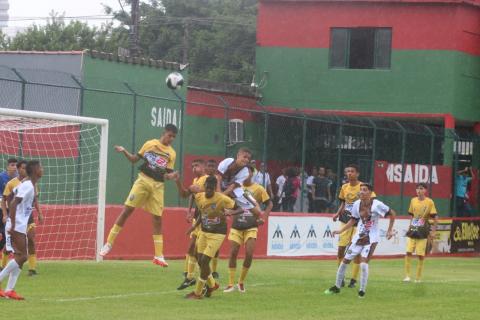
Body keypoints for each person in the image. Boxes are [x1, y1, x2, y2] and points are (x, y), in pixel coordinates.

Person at [100, 124, 178, 267]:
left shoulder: (171, 153)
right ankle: (109, 243)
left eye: (173, 137)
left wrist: (172, 176)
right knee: (127, 211)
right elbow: (135, 159)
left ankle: (159, 256)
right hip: (143, 181)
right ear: (164, 133)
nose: (171, 139)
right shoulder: (150, 144)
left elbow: (166, 174)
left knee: (158, 219)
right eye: (169, 135)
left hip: (158, 186)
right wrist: (124, 151)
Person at [325, 183, 395, 298]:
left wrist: (389, 230)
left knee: (363, 264)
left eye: (364, 190)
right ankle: (336, 287)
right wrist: (340, 231)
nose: (361, 192)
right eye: (360, 190)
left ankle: (362, 291)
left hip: (371, 239)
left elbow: (392, 213)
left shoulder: (377, 205)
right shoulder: (357, 204)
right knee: (344, 262)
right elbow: (353, 220)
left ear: (370, 193)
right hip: (358, 237)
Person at [184, 176, 242, 299]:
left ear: (215, 188)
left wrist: (231, 212)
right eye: (207, 188)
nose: (209, 190)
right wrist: (193, 227)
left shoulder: (222, 198)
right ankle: (212, 285)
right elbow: (202, 213)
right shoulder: (199, 197)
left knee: (205, 261)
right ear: (204, 187)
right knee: (199, 260)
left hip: (217, 233)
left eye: (211, 188)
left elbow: (240, 209)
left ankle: (198, 293)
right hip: (204, 232)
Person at [224, 165, 272, 293]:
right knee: (233, 252)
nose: (245, 174)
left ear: (252, 174)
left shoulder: (259, 189)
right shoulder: (235, 187)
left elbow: (269, 203)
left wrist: (264, 218)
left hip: (251, 226)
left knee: (249, 254)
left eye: (248, 172)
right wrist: (227, 210)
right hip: (237, 226)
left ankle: (241, 282)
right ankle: (230, 283)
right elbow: (226, 200)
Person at [0, 160, 43, 300]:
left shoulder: (29, 184)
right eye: (40, 168)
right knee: (22, 256)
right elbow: (13, 202)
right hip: (16, 224)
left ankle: (9, 290)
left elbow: (13, 195)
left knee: (21, 257)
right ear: (35, 171)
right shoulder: (28, 186)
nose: (42, 170)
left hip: (19, 224)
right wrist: (12, 223)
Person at [332, 164, 375, 288]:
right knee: (340, 250)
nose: (349, 173)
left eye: (352, 171)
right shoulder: (344, 187)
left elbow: (372, 201)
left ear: (357, 174)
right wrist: (337, 213)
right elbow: (343, 202)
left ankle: (353, 279)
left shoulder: (363, 187)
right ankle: (341, 278)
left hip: (359, 224)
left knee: (356, 252)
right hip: (345, 220)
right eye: (347, 171)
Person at [174, 159, 208, 290]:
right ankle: (190, 277)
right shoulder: (195, 181)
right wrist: (189, 211)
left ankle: (203, 280)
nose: (194, 168)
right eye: (193, 166)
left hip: (205, 219)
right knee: (191, 248)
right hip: (197, 217)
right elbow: (192, 196)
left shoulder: (207, 179)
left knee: (200, 252)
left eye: (197, 166)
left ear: (203, 166)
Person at [403, 183, 438, 283]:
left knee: (420, 255)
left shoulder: (429, 202)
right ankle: (407, 276)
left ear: (425, 190)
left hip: (423, 231)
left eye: (421, 189)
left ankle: (418, 278)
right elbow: (411, 215)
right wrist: (410, 226)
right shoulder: (413, 200)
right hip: (413, 229)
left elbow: (435, 217)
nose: (418, 190)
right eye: (417, 189)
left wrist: (433, 231)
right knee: (408, 252)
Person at [0, 158, 17, 261]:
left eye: (16, 165)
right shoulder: (1, 177)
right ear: (7, 167)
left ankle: (3, 264)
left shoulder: (18, 179)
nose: (14, 167)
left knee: (7, 235)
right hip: (1, 208)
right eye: (12, 165)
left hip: (9, 210)